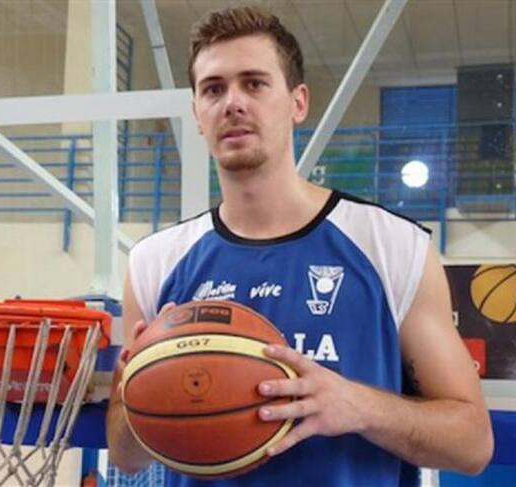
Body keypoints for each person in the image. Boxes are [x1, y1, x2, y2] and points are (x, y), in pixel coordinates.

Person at [107, 6, 493, 486]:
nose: (233, 103)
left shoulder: (391, 245)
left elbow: (472, 443)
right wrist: (142, 386)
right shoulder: (154, 262)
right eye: (213, 89)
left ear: (298, 102)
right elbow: (125, 455)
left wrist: (359, 405)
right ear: (197, 115)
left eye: (254, 83)